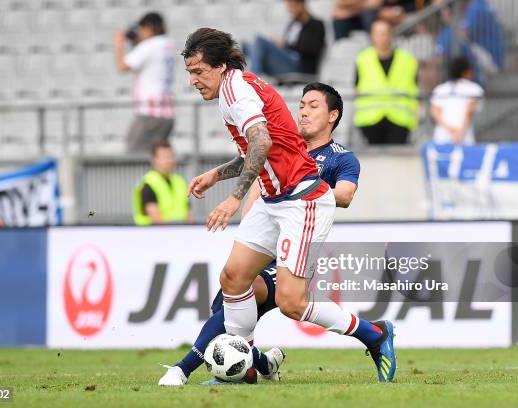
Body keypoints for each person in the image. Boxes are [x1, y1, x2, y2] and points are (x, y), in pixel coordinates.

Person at [183, 26, 396, 382]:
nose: (193, 80)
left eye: (199, 71)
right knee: (234, 278)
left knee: (291, 302)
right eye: (189, 72)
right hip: (273, 199)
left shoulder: (236, 91)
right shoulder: (234, 87)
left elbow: (261, 143)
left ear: (220, 67)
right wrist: (216, 176)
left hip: (302, 201)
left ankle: (375, 334)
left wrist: (234, 198)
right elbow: (256, 151)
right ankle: (244, 370)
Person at [114, 12, 176, 153]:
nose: (140, 33)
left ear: (149, 27)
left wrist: (118, 43)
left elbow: (123, 65)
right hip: (167, 113)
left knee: (134, 157)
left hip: (150, 113)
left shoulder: (150, 45)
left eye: (142, 29)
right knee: (156, 156)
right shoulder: (168, 44)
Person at [354, 19, 419, 144]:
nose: (382, 37)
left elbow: (415, 86)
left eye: (384, 33)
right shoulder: (362, 59)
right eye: (378, 33)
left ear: (391, 35)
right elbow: (357, 87)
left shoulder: (408, 59)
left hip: (401, 119)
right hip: (370, 119)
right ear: (372, 36)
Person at [246, 0, 325, 77]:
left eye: (291, 5)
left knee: (259, 41)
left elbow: (312, 49)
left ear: (301, 4)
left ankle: (252, 82)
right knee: (246, 46)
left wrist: (285, 43)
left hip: (299, 66)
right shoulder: (293, 24)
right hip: (286, 60)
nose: (289, 9)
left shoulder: (316, 24)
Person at [436, 0, 505, 83]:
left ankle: (477, 80)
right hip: (486, 54)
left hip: (491, 58)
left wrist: (450, 20)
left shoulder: (478, 6)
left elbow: (462, 32)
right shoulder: (477, 5)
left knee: (459, 44)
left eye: (444, 12)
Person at [132, 140, 192, 225]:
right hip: (154, 235)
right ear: (154, 160)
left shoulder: (180, 182)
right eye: (165, 157)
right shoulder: (148, 183)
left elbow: (189, 214)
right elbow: (156, 218)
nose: (170, 160)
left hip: (180, 234)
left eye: (171, 156)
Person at [430, 57, 483, 145]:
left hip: (441, 137)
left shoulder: (440, 89)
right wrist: (459, 132)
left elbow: (435, 113)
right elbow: (468, 111)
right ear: (467, 71)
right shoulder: (474, 89)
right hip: (464, 137)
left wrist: (450, 129)